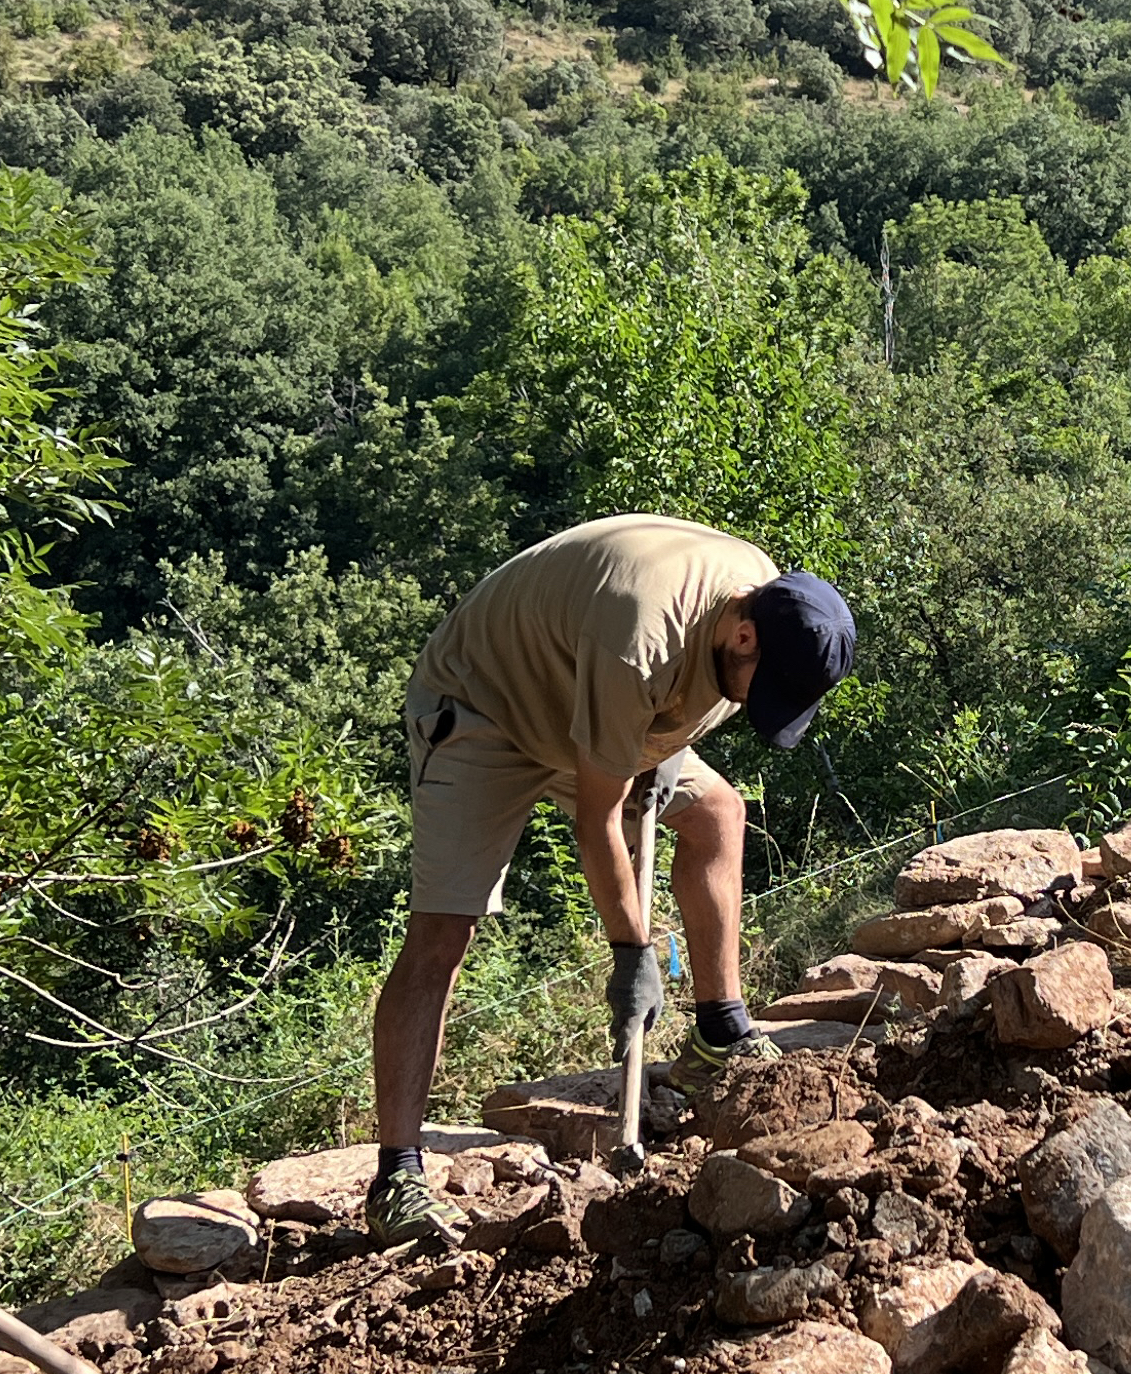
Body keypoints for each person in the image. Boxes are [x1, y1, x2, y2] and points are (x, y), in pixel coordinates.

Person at [363, 516, 857, 1249]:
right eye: (768, 688)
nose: (763, 707)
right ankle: (395, 1178)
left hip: (598, 714)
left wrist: (658, 746)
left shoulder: (760, 599)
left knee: (718, 813)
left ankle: (720, 1035)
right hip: (484, 707)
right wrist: (633, 955)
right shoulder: (642, 638)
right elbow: (596, 822)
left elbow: (677, 705)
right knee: (443, 933)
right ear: (743, 635)